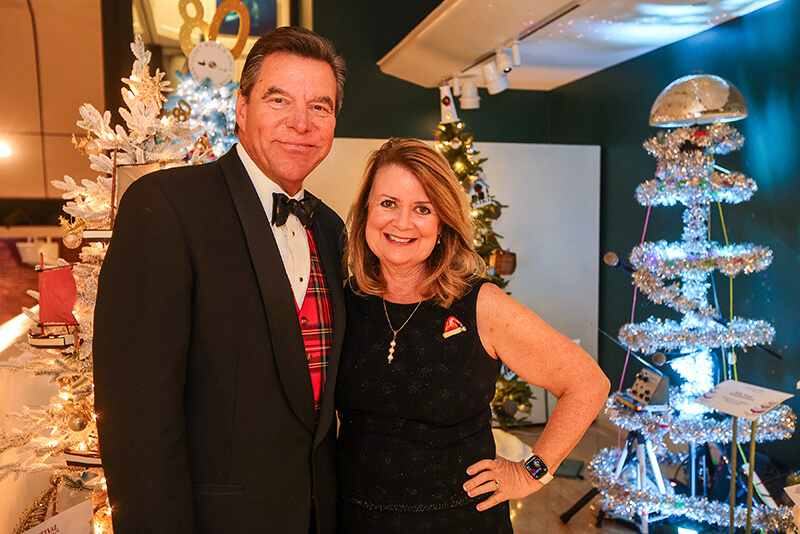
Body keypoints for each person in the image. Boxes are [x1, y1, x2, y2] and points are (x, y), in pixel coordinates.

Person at [93, 27, 347, 534]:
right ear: (241, 108)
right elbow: (137, 420)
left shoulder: (330, 228)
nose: (301, 122)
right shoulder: (165, 207)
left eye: (320, 106)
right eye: (279, 99)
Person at [335, 138, 611, 532]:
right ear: (366, 211)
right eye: (388, 203)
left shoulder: (480, 305)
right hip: (356, 519)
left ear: (442, 222)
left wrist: (532, 473)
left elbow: (587, 383)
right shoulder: (345, 300)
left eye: (423, 209)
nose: (402, 222)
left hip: (458, 520)